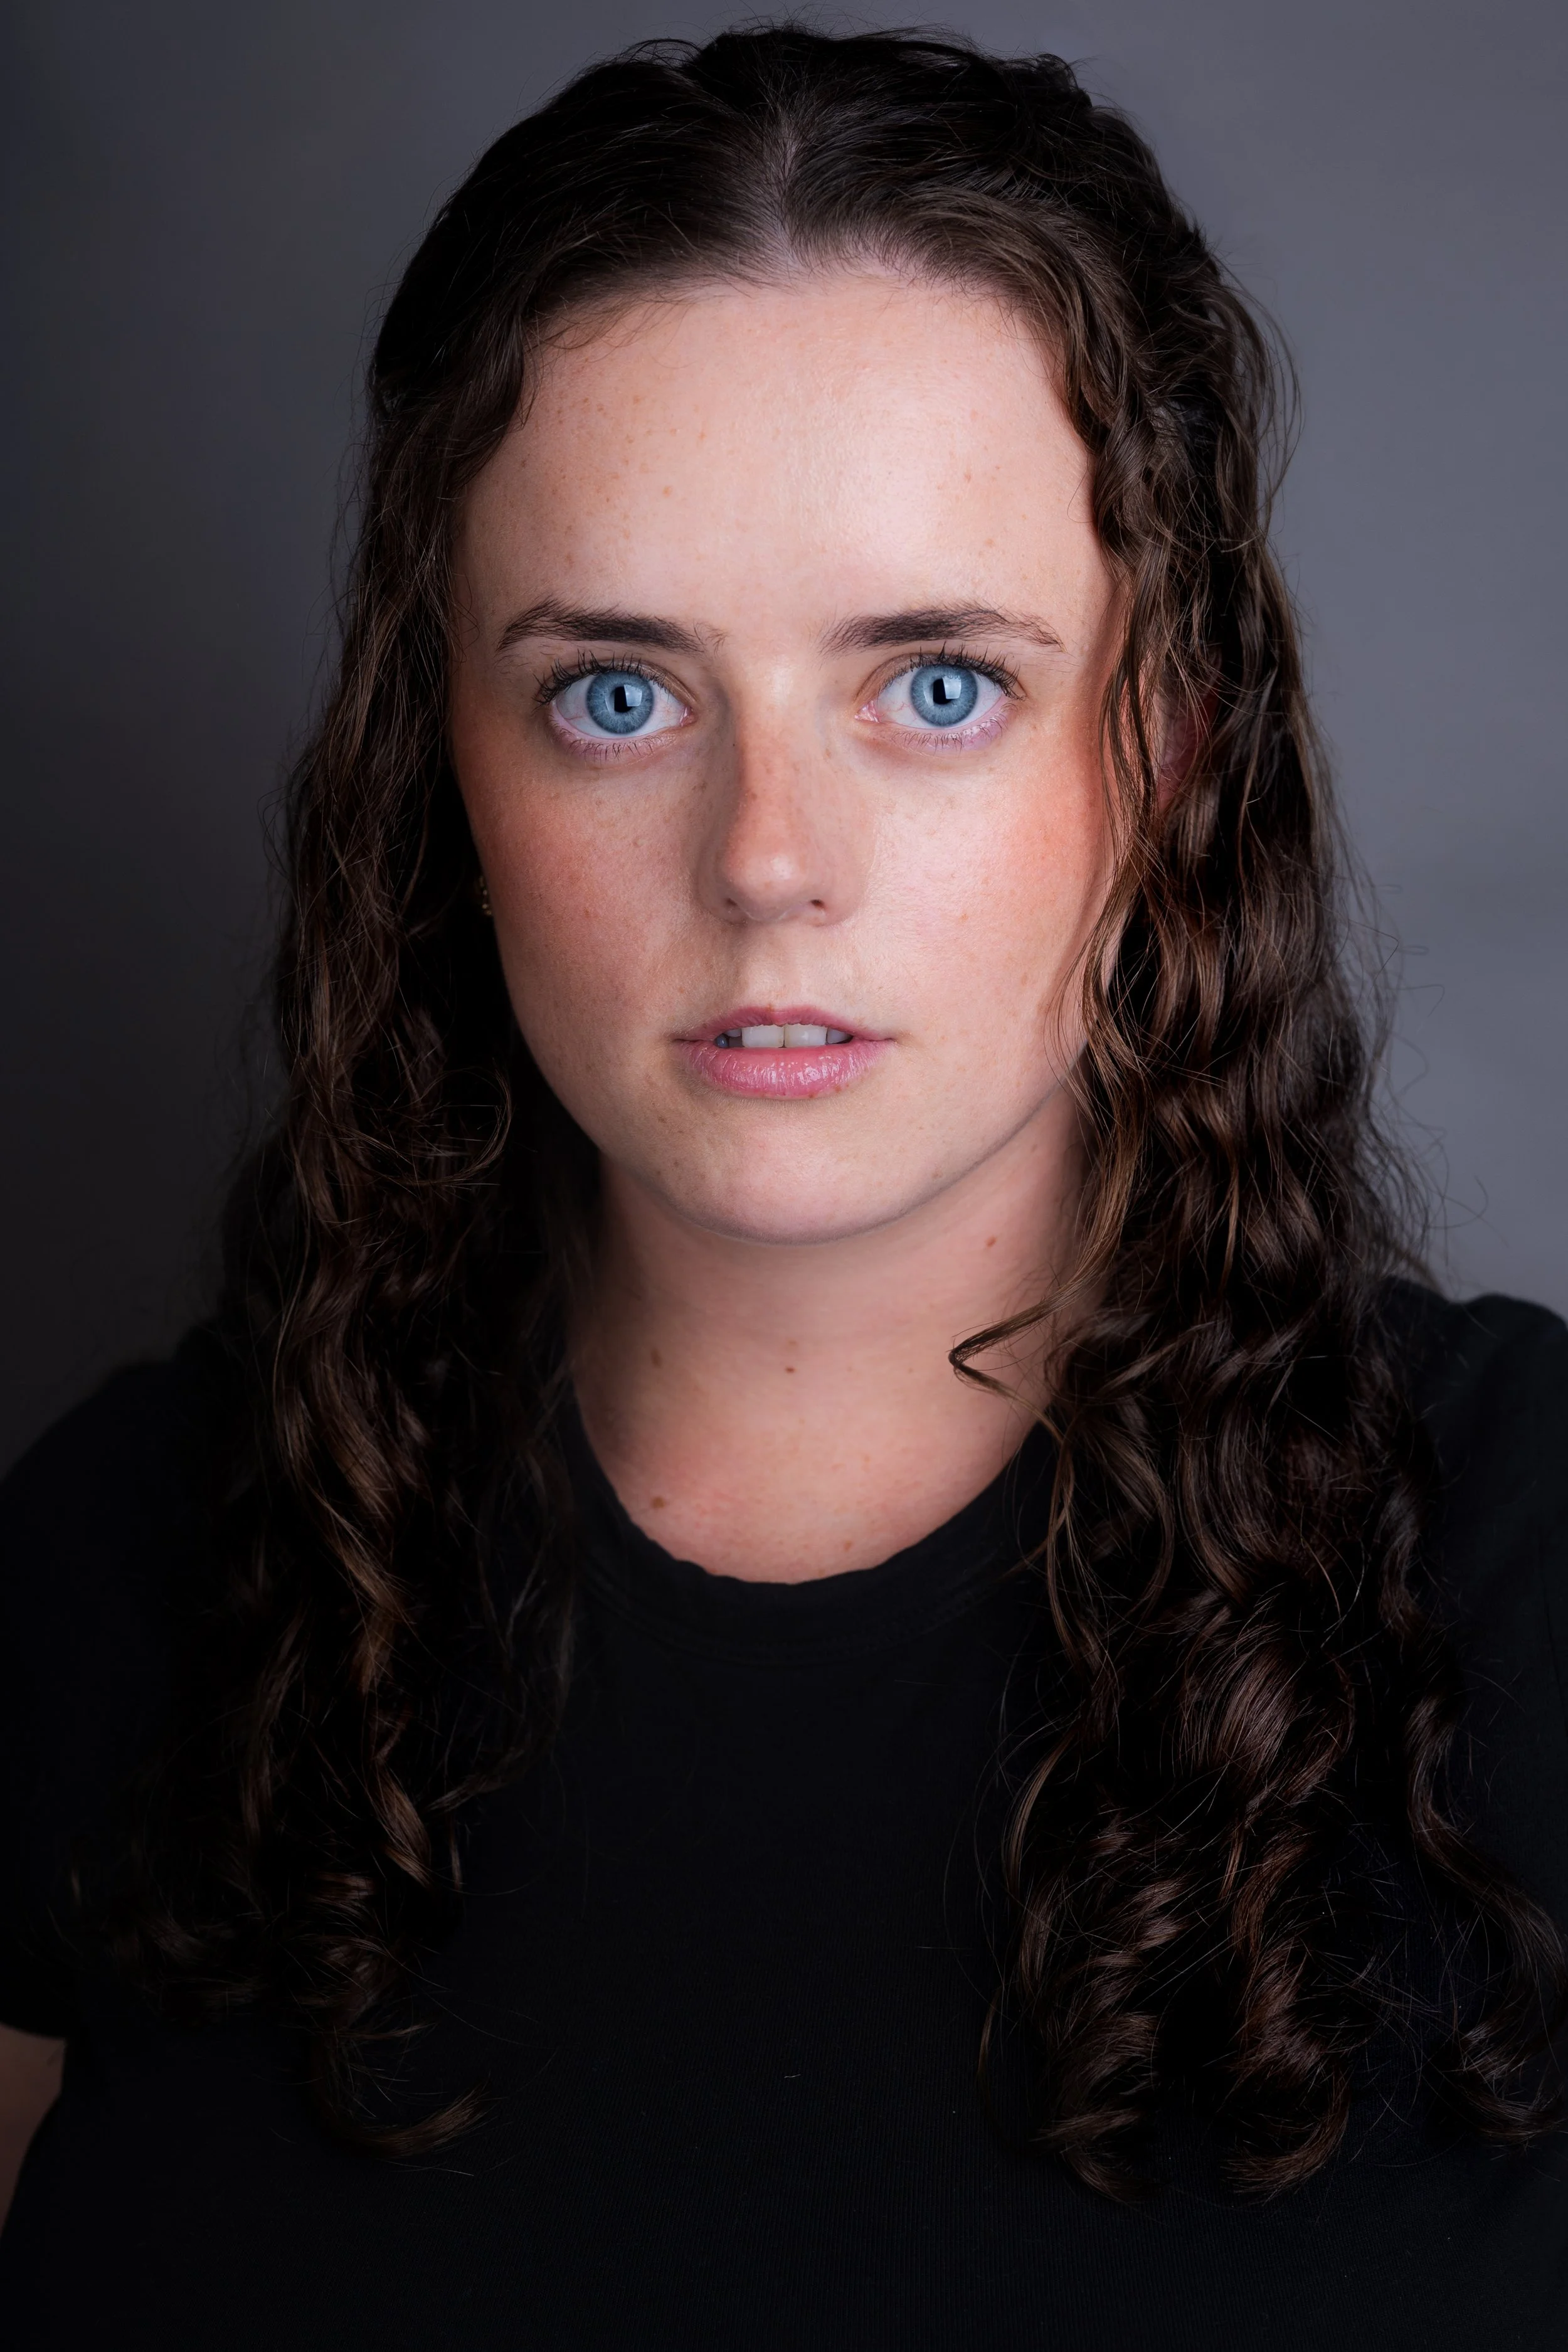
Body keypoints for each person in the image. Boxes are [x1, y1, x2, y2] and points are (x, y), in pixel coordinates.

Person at [1, 25, 1564, 2349]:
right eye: (615, 695)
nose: (764, 864)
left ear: (1168, 750)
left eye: (934, 687)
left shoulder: (1532, 1565)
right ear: (439, 770)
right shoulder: (123, 1567)